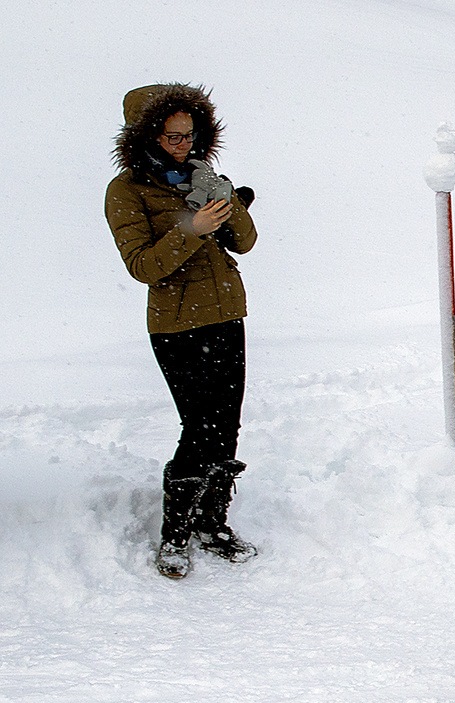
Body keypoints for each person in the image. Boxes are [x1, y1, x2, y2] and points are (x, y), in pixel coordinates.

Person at [106, 84, 259, 579]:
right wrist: (189, 229)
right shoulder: (127, 191)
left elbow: (247, 242)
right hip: (175, 325)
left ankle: (213, 524)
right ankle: (175, 536)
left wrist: (229, 202)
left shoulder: (203, 175)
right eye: (171, 137)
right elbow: (143, 266)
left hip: (225, 315)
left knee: (227, 425)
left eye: (188, 136)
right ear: (146, 135)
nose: (181, 145)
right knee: (200, 428)